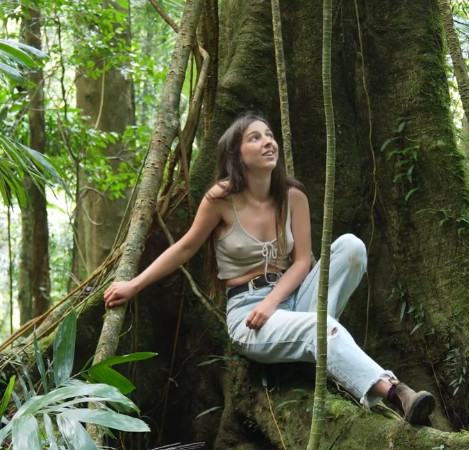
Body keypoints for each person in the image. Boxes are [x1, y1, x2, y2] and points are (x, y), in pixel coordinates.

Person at [103, 112, 436, 424]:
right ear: (237, 155)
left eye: (270, 136)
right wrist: (133, 285)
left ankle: (319, 349)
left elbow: (302, 262)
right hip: (248, 315)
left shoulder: (293, 196)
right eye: (255, 138)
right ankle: (396, 392)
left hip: (291, 299)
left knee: (352, 247)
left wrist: (272, 302)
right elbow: (185, 247)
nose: (268, 142)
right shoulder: (221, 199)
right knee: (319, 328)